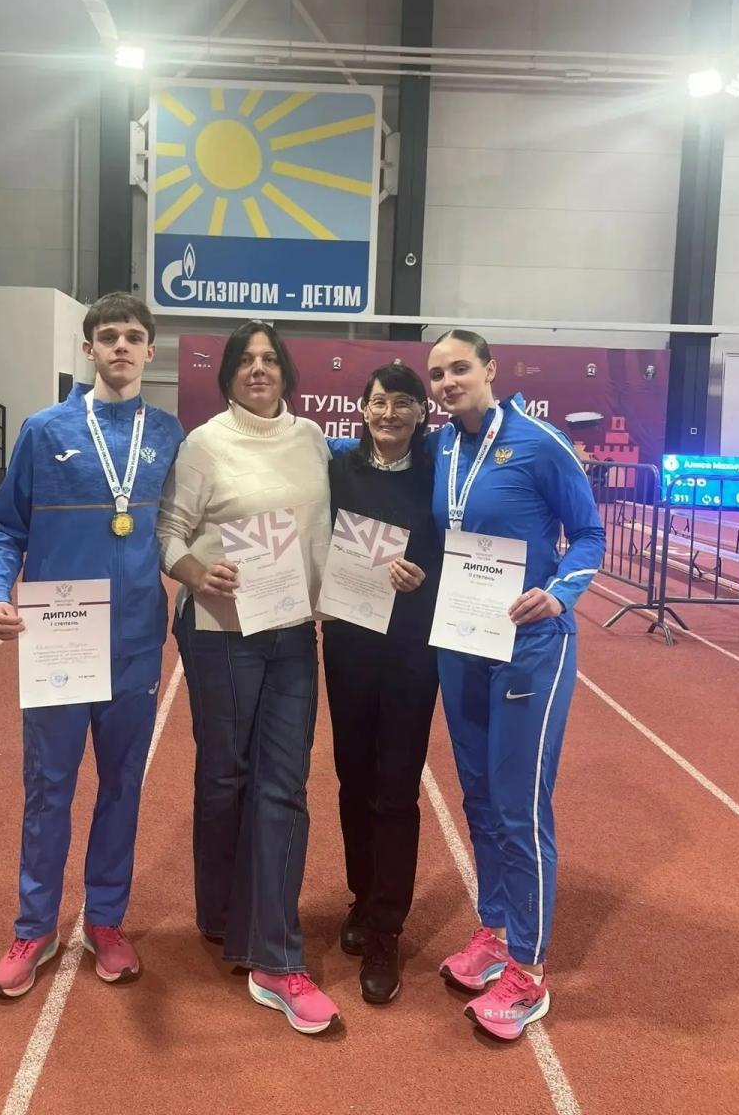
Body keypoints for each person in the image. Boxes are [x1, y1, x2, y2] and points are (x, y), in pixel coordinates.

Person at [0, 292, 183, 998]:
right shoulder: (44, 430)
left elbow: (192, 525)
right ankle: (34, 927)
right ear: (89, 348)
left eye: (133, 336)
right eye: (108, 336)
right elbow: (4, 527)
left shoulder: (169, 434)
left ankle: (105, 920)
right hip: (60, 639)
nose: (121, 346)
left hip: (135, 644)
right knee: (49, 789)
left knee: (122, 788)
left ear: (150, 351)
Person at [156, 321, 339, 1036]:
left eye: (269, 359)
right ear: (228, 373)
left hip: (291, 633)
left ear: (285, 371)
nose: (258, 369)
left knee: (283, 784)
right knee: (225, 777)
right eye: (245, 360)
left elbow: (337, 526)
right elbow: (168, 532)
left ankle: (276, 956)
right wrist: (198, 571)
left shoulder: (312, 439)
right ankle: (220, 910)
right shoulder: (204, 444)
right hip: (220, 634)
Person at [428, 329, 605, 1040]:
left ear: (490, 370)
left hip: (528, 645)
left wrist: (559, 594)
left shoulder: (539, 442)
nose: (447, 382)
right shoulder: (442, 446)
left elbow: (589, 534)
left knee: (520, 805)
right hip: (463, 639)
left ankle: (528, 971)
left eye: (459, 369)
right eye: (437, 373)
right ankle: (497, 929)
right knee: (478, 796)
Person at [322, 363, 442, 1006]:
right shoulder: (338, 470)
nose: (389, 413)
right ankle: (362, 897)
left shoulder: (437, 474)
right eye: (378, 402)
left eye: (402, 403)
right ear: (362, 410)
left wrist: (426, 576)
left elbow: (457, 548)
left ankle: (386, 929)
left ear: (421, 412)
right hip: (348, 644)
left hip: (412, 650)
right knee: (353, 779)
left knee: (396, 788)